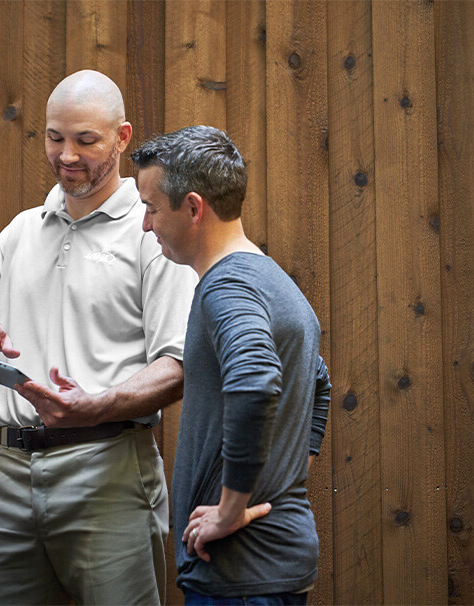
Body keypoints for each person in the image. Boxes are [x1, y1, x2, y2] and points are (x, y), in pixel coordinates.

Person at [0, 70, 196, 605]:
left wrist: (97, 405)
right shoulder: (19, 231)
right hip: (7, 474)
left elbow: (179, 364)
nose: (67, 155)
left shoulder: (151, 232)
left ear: (122, 137)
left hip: (107, 471)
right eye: (54, 137)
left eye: (86, 141)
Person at [132, 125, 332, 604]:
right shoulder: (270, 279)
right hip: (274, 563)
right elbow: (319, 383)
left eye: (152, 208)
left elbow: (255, 380)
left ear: (193, 208)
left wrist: (229, 509)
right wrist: (279, 479)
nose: (145, 224)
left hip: (240, 573)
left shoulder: (228, 286)